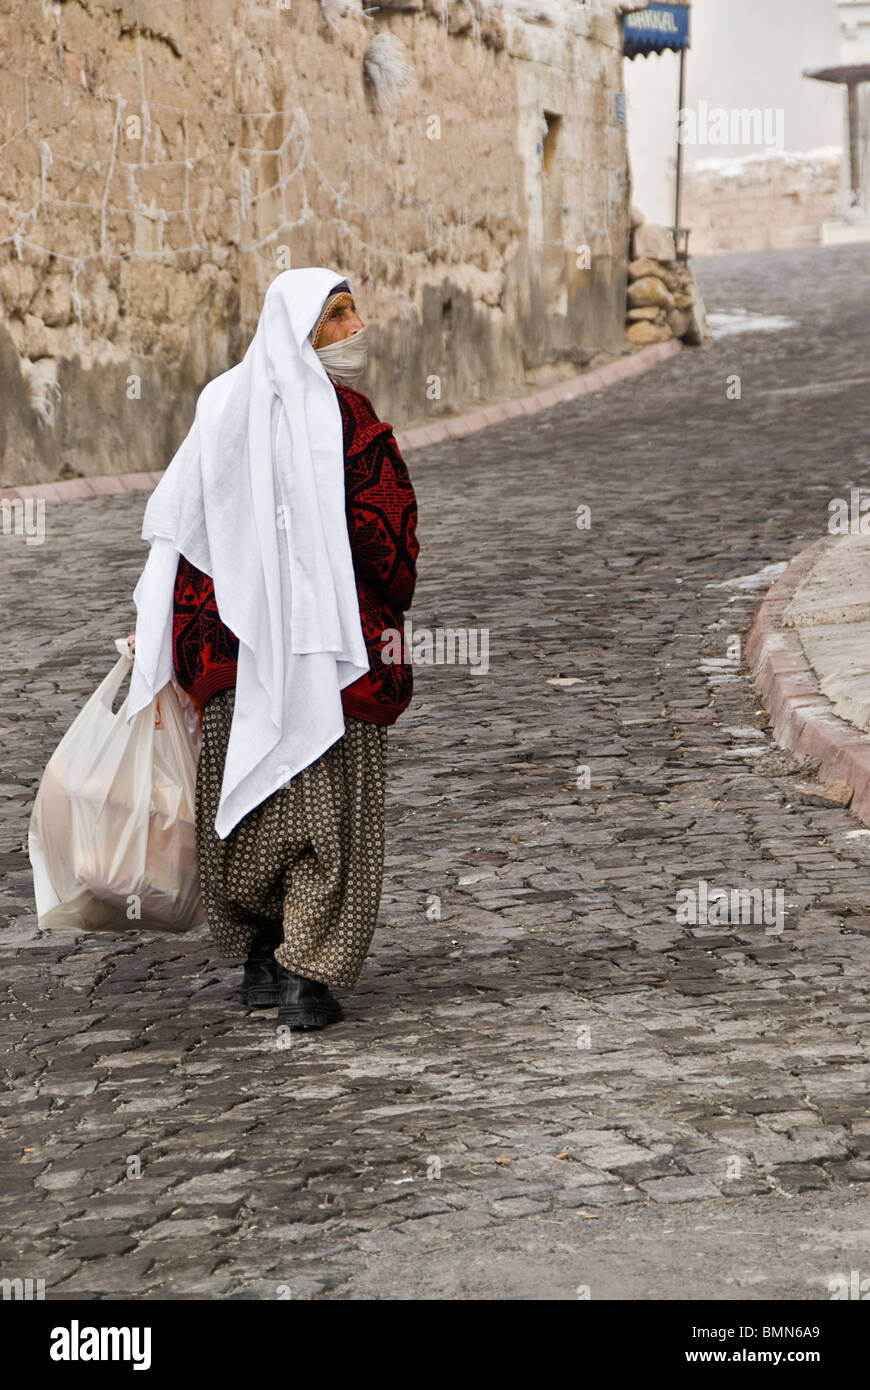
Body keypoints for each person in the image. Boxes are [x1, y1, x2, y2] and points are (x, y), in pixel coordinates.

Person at [128, 269, 419, 1031]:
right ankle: (303, 976)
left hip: (236, 646)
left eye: (354, 309)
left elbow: (184, 526)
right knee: (330, 817)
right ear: (301, 330)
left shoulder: (220, 406)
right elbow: (384, 539)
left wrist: (178, 633)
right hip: (327, 654)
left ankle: (261, 956)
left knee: (245, 801)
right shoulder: (346, 419)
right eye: (337, 314)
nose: (357, 326)